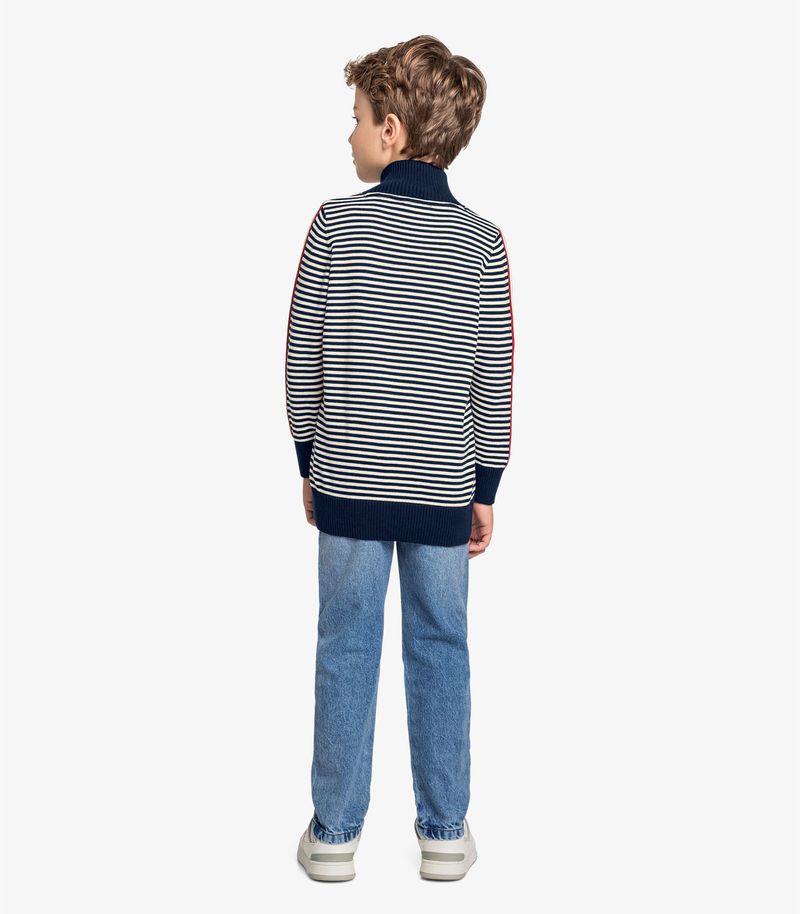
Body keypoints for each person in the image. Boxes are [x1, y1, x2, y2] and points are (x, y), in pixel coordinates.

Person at [287, 35, 514, 882]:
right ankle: (445, 833)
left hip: (347, 481)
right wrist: (484, 485)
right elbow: (493, 377)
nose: (347, 135)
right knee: (442, 644)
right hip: (442, 489)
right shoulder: (482, 244)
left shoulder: (334, 224)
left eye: (354, 119)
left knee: (345, 644)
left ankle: (335, 834)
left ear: (390, 130)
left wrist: (310, 456)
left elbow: (301, 358)